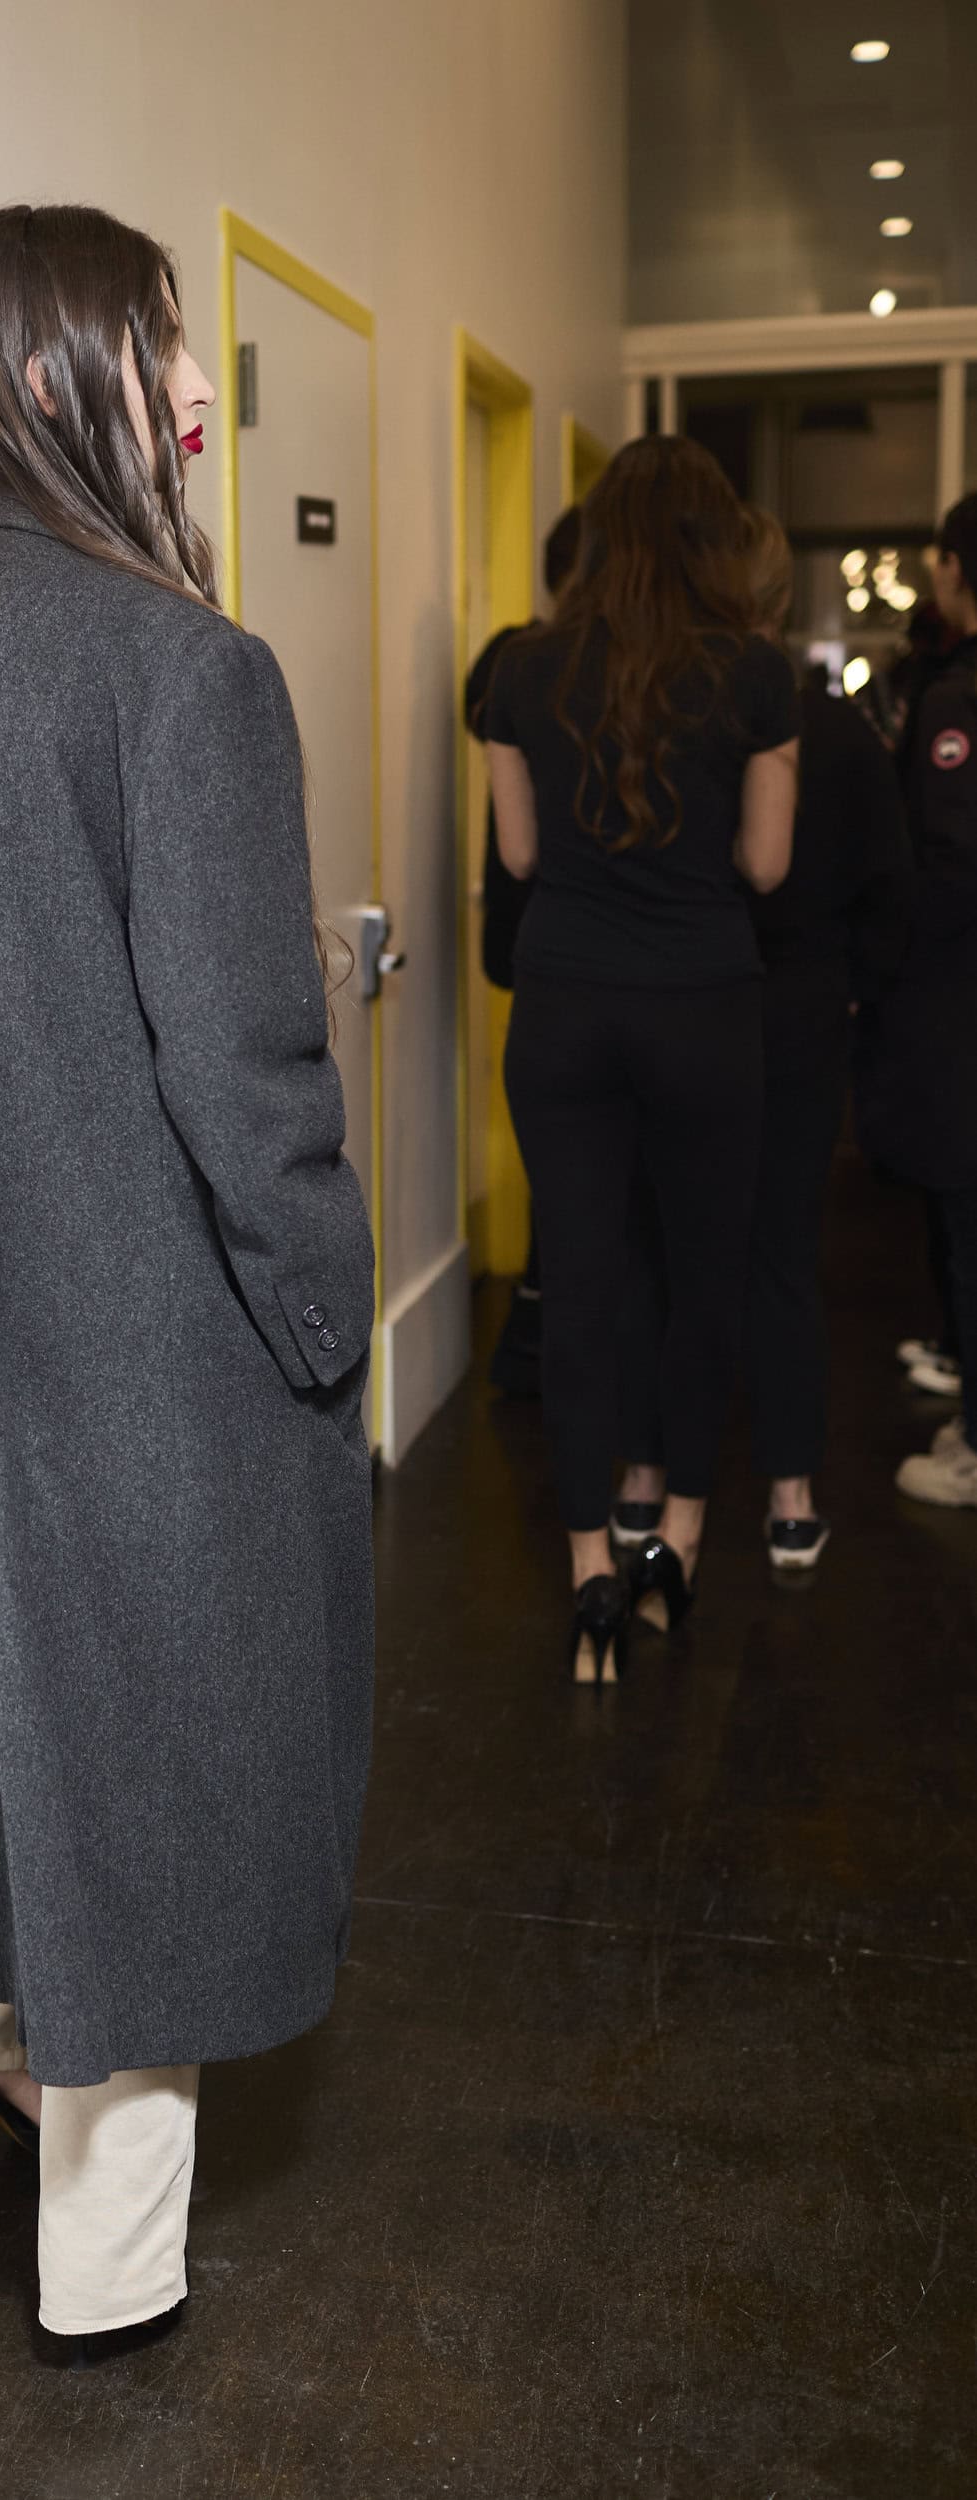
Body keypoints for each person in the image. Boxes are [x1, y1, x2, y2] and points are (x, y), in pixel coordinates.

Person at [0, 204, 375, 2361]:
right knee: (159, 1771)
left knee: (5, 1708)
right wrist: (327, 1327)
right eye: (157, 342)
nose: (194, 389)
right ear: (51, 378)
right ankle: (107, 2271)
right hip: (158, 1366)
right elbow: (249, 1073)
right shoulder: (184, 672)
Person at [483, 437, 799, 1680]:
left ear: (601, 536)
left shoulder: (520, 668)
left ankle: (588, 1578)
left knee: (579, 1285)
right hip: (703, 1008)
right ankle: (677, 1543)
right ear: (713, 541)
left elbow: (519, 857)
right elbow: (765, 865)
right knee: (701, 1284)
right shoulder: (754, 675)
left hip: (563, 1008)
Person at [615, 510, 912, 1568]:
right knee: (780, 1254)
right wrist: (851, 996)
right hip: (794, 1019)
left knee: (664, 1246)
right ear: (781, 598)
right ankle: (789, 1497)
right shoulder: (838, 733)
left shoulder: (667, 719)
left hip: (691, 1005)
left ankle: (643, 1479)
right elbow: (891, 893)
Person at [856, 491, 977, 1506]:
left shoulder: (955, 698)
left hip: (956, 1005)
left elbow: (945, 869)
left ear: (952, 569)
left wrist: (883, 964)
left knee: (968, 1215)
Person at [464, 504, 582, 1397]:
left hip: (541, 939)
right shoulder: (529, 663)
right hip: (549, 937)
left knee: (562, 1151)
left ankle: (542, 1322)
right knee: (569, 1153)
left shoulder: (515, 662)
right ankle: (544, 1320)